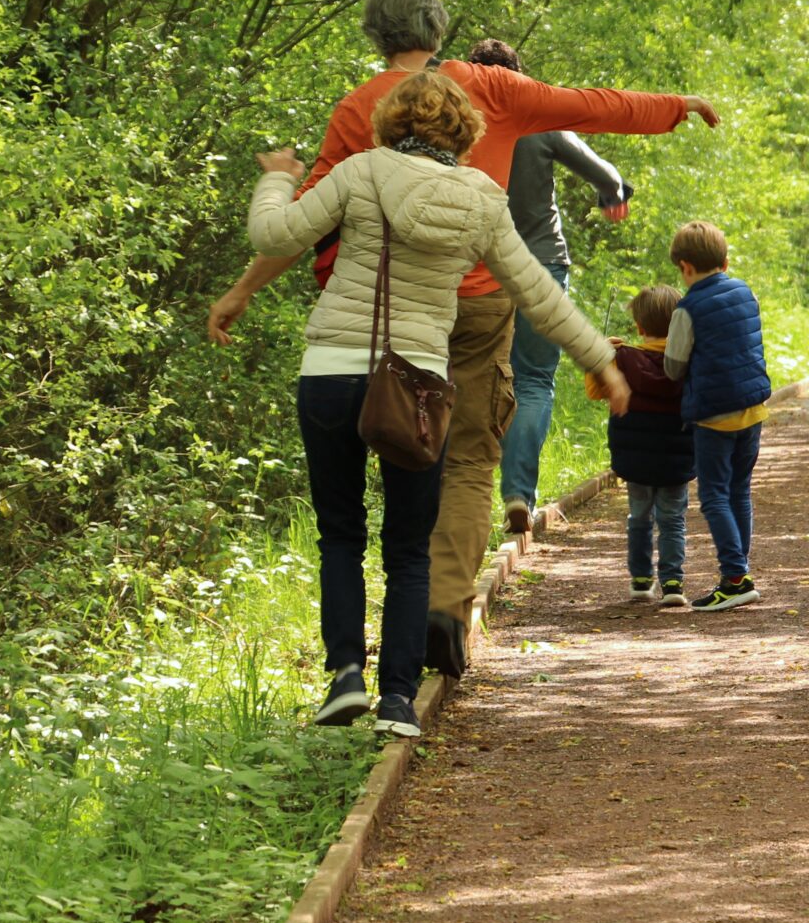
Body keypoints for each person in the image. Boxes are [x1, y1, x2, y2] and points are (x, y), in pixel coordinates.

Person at [209, 0, 719, 677]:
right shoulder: (491, 87)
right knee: (470, 456)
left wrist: (241, 290)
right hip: (478, 302)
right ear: (438, 28)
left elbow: (302, 218)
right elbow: (588, 107)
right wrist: (674, 108)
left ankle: (360, 662)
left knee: (375, 479)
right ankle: (445, 606)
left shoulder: (360, 107)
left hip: (382, 322)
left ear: (375, 35)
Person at [245, 71, 631, 737]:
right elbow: (539, 291)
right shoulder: (481, 198)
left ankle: (343, 679)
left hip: (334, 370)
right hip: (416, 383)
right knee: (408, 548)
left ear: (392, 121)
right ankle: (397, 701)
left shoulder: (362, 170)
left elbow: (276, 235)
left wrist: (280, 176)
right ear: (465, 134)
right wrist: (602, 359)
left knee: (339, 533)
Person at [467, 38, 634, 534]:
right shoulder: (539, 120)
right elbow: (607, 175)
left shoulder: (451, 123)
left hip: (476, 271)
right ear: (519, 76)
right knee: (534, 381)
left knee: (471, 382)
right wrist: (612, 198)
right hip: (540, 266)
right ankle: (518, 495)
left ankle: (461, 500)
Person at [662, 221, 772, 612]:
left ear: (685, 267)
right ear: (725, 261)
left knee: (713, 496)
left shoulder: (687, 308)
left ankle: (735, 577)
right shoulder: (746, 292)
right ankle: (738, 572)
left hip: (713, 415)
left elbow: (674, 367)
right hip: (752, 408)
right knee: (739, 490)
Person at [584, 285, 694, 605]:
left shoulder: (621, 359)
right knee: (673, 518)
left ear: (639, 327)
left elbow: (595, 391)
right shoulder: (689, 361)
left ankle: (641, 580)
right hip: (677, 457)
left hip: (637, 460)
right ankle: (673, 583)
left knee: (639, 516)